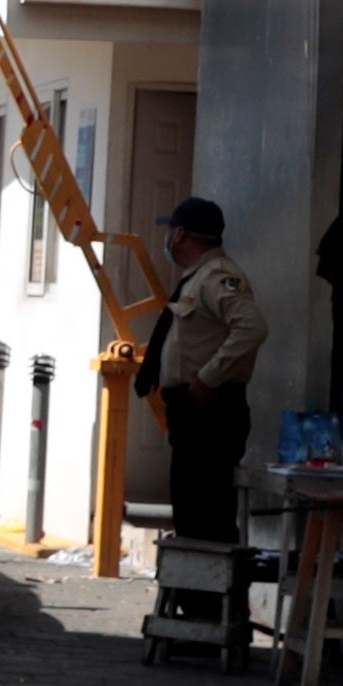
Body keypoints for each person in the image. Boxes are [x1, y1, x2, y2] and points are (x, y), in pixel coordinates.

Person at [140, 195, 268, 543]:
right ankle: (197, 579)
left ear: (180, 234)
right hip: (191, 411)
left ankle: (211, 580)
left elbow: (252, 328)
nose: (167, 238)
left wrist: (208, 378)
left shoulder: (218, 276)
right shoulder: (196, 279)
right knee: (191, 512)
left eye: (169, 230)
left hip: (210, 410)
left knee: (206, 515)